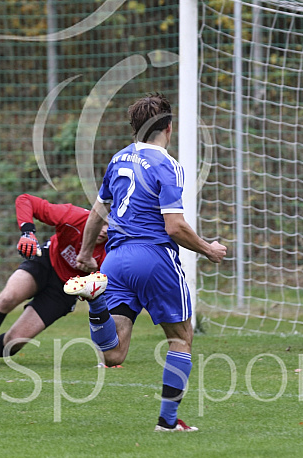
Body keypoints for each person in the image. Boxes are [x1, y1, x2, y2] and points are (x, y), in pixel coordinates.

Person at [73, 93, 227, 432]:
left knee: (113, 355)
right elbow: (175, 227)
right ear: (168, 128)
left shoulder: (118, 160)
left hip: (115, 261)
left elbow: (99, 213)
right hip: (153, 258)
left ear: (134, 128)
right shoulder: (167, 165)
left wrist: (85, 254)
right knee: (181, 338)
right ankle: (167, 422)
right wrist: (208, 249)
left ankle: (96, 302)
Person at [0, 193, 109, 367]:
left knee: (14, 342)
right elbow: (25, 200)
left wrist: (94, 274)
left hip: (64, 291)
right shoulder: (74, 216)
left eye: (110, 225)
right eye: (101, 222)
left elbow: (102, 290)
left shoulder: (114, 248)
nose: (105, 230)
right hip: (46, 262)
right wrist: (28, 233)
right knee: (7, 298)